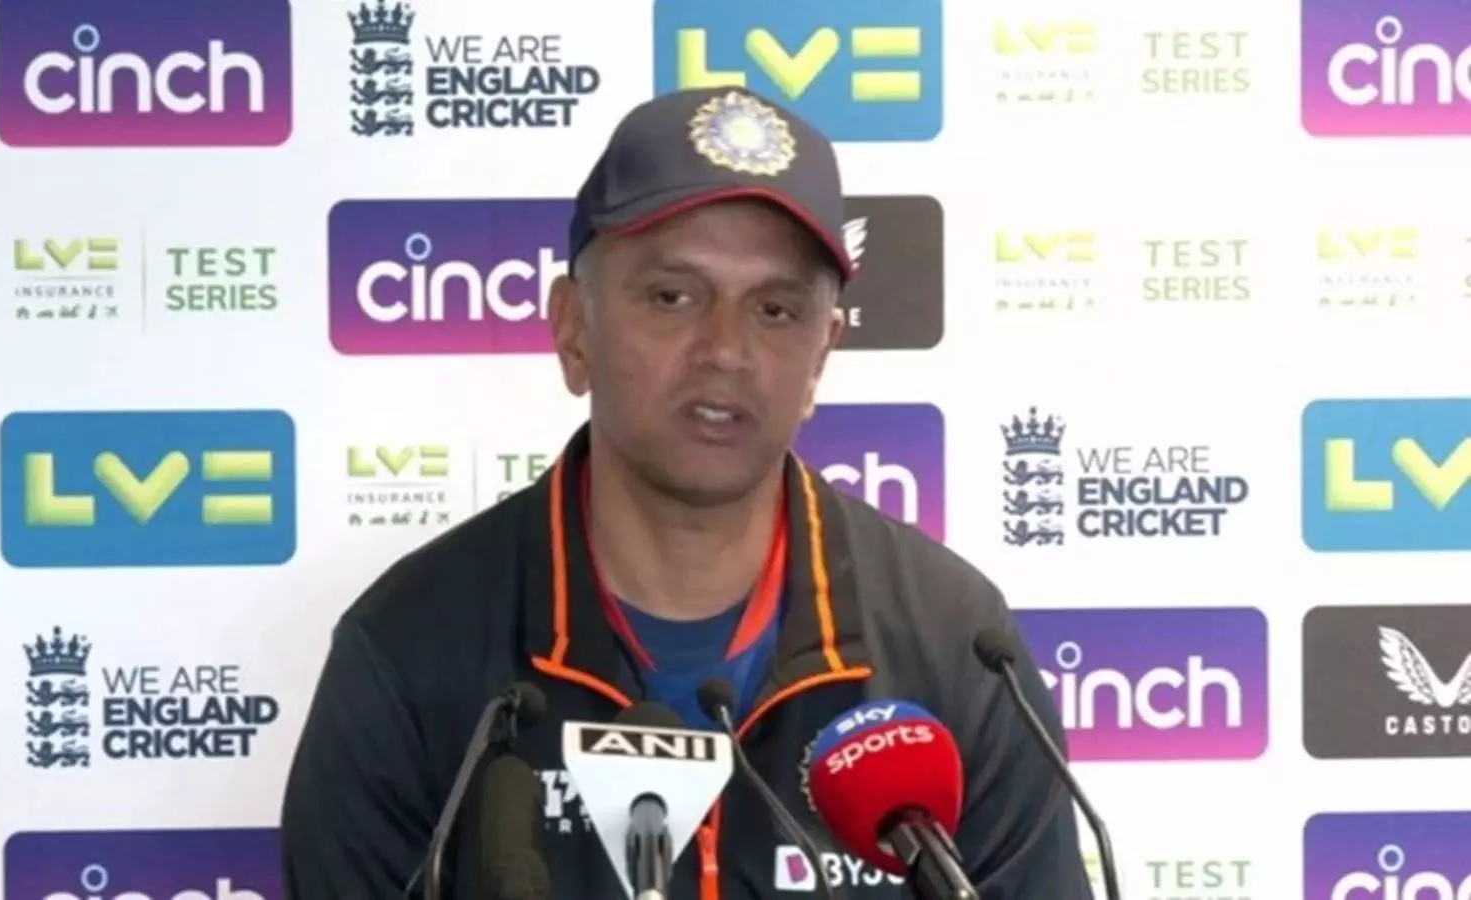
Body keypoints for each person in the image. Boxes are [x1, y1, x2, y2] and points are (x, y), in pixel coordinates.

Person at [281, 85, 1093, 899]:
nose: (726, 351)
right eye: (673, 297)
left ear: (821, 356)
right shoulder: (410, 649)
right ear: (572, 328)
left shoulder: (955, 648)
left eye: (775, 310)